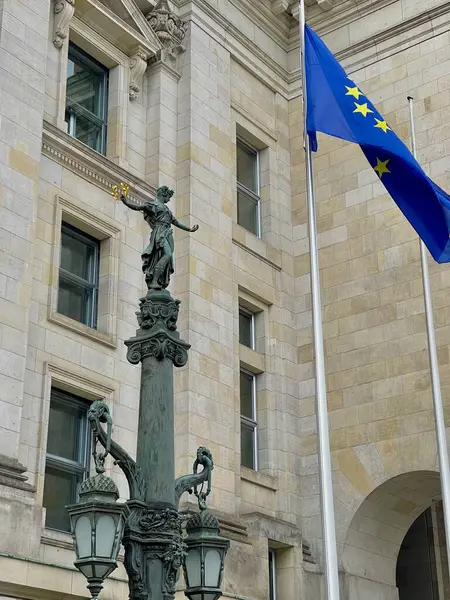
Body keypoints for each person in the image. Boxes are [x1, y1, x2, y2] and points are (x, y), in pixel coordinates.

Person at [117, 185, 198, 289]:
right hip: (159, 232)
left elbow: (176, 222)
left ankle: (158, 279)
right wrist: (126, 202)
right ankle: (154, 279)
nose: (169, 200)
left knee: (167, 256)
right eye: (168, 197)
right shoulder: (153, 205)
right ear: (163, 194)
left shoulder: (167, 209)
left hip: (167, 233)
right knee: (167, 254)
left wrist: (190, 229)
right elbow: (138, 207)